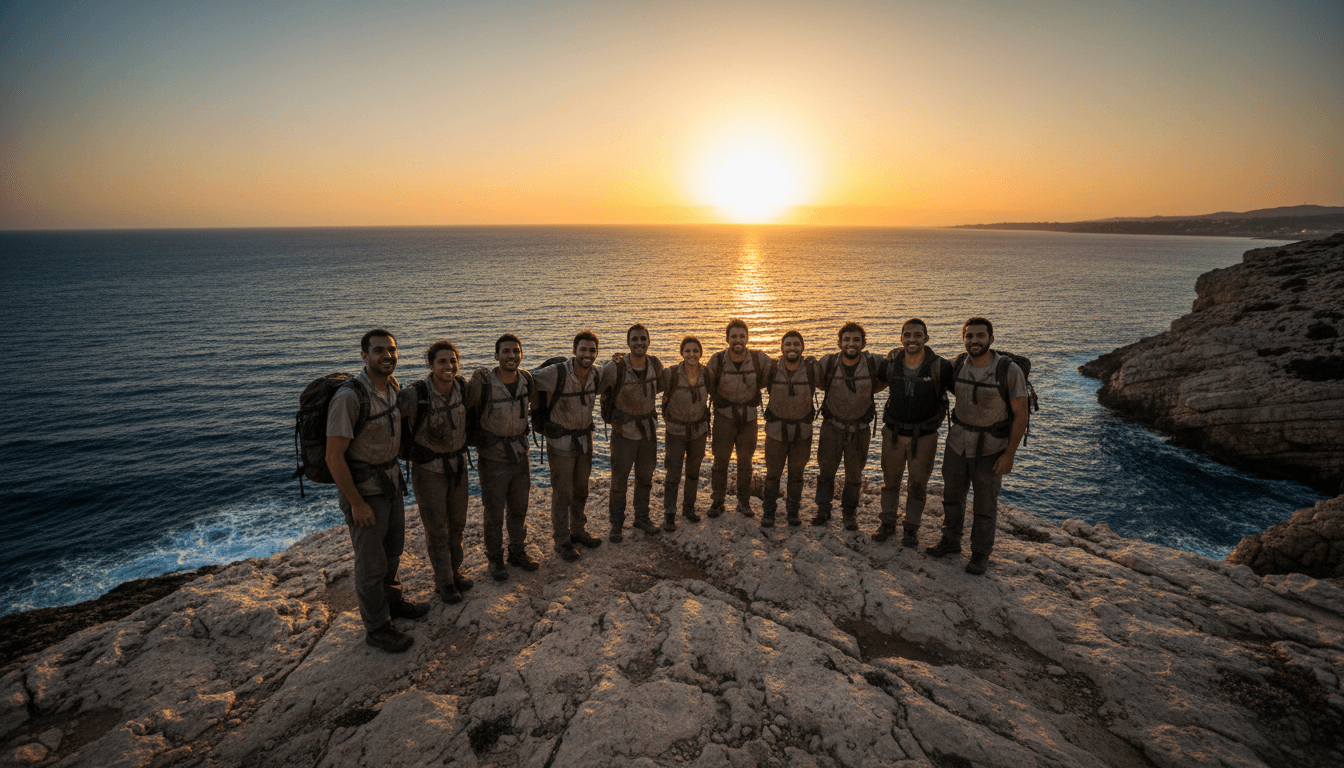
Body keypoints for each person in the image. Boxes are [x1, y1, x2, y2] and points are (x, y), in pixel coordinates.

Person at [326, 329, 429, 653]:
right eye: (379, 350)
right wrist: (356, 503)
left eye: (392, 350)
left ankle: (393, 603)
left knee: (393, 551)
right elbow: (333, 456)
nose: (387, 356)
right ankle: (377, 627)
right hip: (366, 491)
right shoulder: (349, 398)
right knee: (371, 564)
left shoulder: (392, 385)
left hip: (391, 483)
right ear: (364, 356)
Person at [926, 317, 1030, 575]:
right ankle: (950, 541)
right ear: (964, 339)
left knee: (985, 504)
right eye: (969, 336)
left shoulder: (1008, 370)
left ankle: (980, 553)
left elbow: (1021, 414)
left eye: (980, 336)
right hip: (957, 443)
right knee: (952, 497)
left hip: (991, 448)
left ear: (991, 339)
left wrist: (1009, 455)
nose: (974, 340)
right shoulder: (958, 364)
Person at [398, 340, 474, 603]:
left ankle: (455, 572)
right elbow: (393, 426)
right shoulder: (414, 394)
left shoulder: (462, 388)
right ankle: (444, 582)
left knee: (458, 526)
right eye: (442, 361)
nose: (449, 366)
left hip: (458, 467)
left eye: (453, 360)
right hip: (429, 471)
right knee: (437, 530)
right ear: (430, 365)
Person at [872, 318, 954, 547]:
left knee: (917, 486)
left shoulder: (940, 366)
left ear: (926, 338)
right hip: (893, 433)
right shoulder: (890, 363)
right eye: (907, 335)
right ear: (901, 338)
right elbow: (874, 384)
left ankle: (911, 529)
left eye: (918, 335)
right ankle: (887, 523)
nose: (912, 339)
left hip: (925, 436)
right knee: (890, 483)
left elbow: (962, 389)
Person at [466, 334, 537, 581]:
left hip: (520, 455)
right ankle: (495, 559)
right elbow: (464, 408)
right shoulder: (483, 383)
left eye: (516, 351)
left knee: (519, 509)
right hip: (493, 459)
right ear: (496, 355)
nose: (512, 356)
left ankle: (517, 551)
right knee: (494, 514)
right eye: (506, 351)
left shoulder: (527, 380)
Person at [532, 331, 605, 562]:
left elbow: (612, 374)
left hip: (584, 441)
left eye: (592, 350)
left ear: (597, 352)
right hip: (561, 443)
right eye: (583, 349)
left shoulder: (596, 373)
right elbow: (528, 379)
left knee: (581, 490)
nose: (587, 354)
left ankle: (578, 531)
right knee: (562, 494)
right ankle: (562, 541)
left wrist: (619, 359)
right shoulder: (557, 372)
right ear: (574, 350)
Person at [813, 322, 888, 530]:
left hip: (860, 429)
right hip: (831, 427)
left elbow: (885, 379)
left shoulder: (873, 363)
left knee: (854, 475)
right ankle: (823, 510)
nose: (851, 344)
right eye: (846, 339)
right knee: (826, 472)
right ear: (839, 343)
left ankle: (849, 514)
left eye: (856, 340)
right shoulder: (828, 363)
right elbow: (816, 380)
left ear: (863, 343)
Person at [598, 324, 665, 540]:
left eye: (643, 339)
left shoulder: (655, 364)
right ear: (628, 343)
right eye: (634, 339)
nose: (639, 343)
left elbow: (661, 388)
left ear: (649, 341)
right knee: (619, 482)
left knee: (645, 478)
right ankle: (616, 524)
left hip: (648, 433)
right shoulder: (614, 368)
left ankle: (641, 518)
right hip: (623, 433)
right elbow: (598, 389)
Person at [705, 319, 773, 517]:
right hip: (723, 418)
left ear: (747, 338)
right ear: (727, 339)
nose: (738, 340)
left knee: (746, 462)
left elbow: (776, 371)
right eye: (733, 336)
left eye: (742, 336)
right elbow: (705, 382)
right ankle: (718, 501)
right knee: (720, 462)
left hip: (748, 419)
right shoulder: (717, 360)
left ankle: (743, 502)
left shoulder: (759, 359)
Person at [761, 330, 819, 528]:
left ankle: (792, 513)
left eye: (796, 344)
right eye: (788, 344)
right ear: (781, 348)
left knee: (796, 476)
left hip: (802, 433)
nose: (792, 348)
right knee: (772, 475)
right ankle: (768, 512)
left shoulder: (811, 369)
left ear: (803, 348)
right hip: (775, 432)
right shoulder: (772, 368)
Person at [659, 336, 710, 531]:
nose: (692, 354)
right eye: (687, 350)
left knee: (693, 473)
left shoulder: (707, 374)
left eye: (695, 351)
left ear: (701, 353)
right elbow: (650, 386)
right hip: (675, 431)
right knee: (673, 474)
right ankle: (669, 513)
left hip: (699, 431)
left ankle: (689, 508)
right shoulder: (670, 374)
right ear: (681, 353)